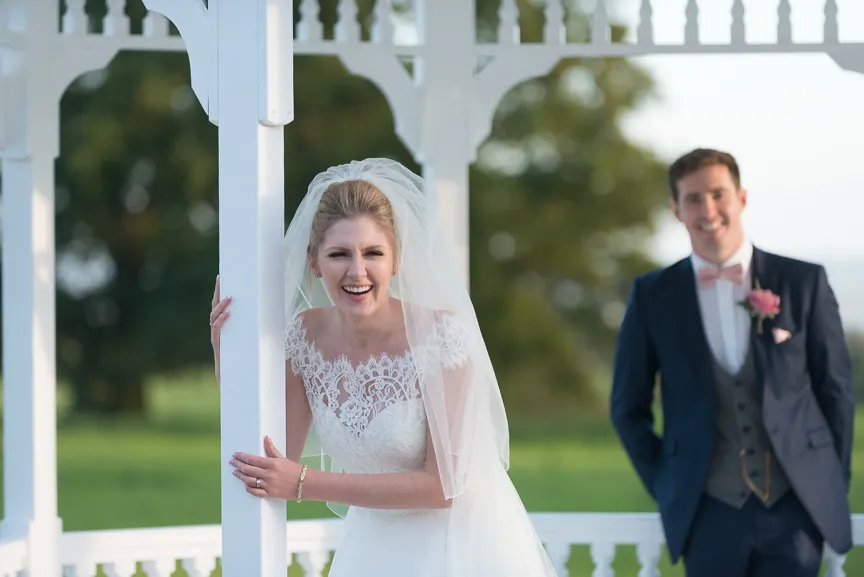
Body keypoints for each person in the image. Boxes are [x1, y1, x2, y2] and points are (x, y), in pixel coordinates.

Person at [209, 158, 557, 577]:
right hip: (369, 550)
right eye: (339, 254)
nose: (358, 271)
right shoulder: (304, 336)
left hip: (455, 550)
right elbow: (272, 452)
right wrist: (223, 353)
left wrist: (304, 483)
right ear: (314, 263)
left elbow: (443, 487)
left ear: (396, 259)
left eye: (373, 252)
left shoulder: (442, 338)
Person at [610, 148, 855, 577]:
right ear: (676, 210)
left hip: (795, 511)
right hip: (708, 514)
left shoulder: (803, 282)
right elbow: (626, 408)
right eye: (692, 199)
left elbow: (835, 391)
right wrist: (671, 485)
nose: (708, 209)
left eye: (718, 194)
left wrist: (827, 486)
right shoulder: (653, 296)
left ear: (741, 198)